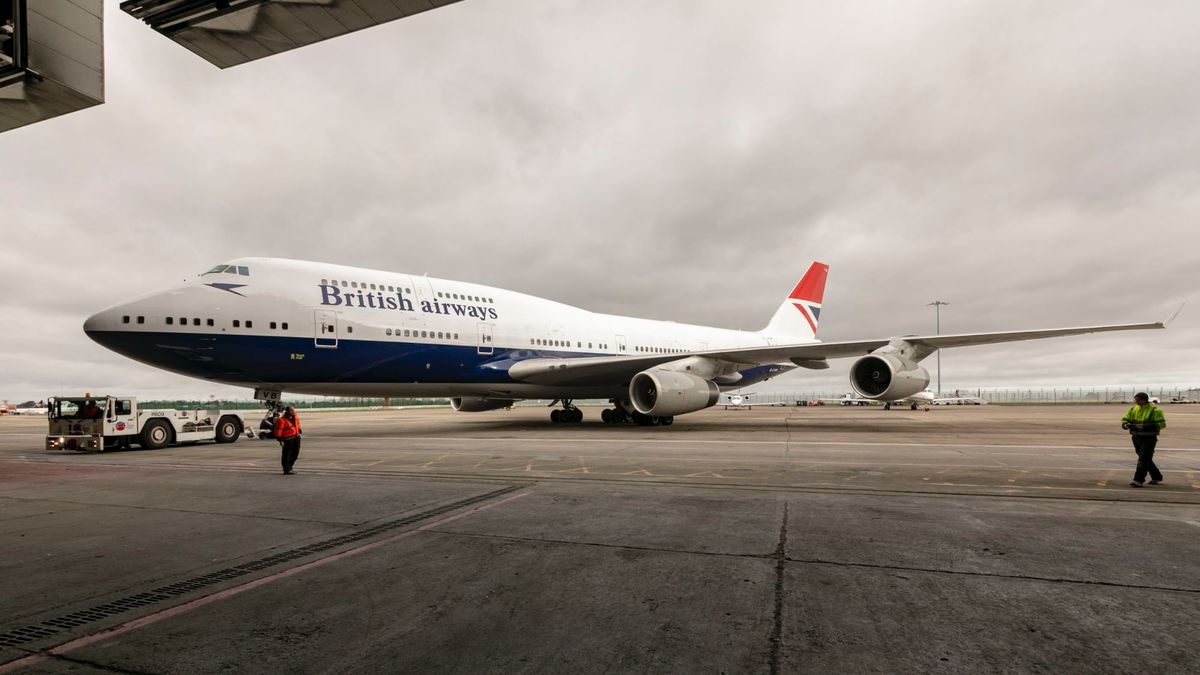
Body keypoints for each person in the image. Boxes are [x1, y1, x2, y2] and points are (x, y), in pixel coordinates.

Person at [1121, 392, 1166, 487]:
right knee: (1145, 458)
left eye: (1138, 399)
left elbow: (1162, 424)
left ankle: (1138, 480)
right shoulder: (1133, 409)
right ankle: (1156, 476)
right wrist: (1125, 425)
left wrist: (1145, 426)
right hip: (1136, 438)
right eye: (1135, 399)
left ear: (1144, 400)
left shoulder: (1155, 410)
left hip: (1149, 438)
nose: (1136, 401)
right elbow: (1125, 419)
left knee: (1143, 458)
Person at [273, 406, 302, 475]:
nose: (293, 412)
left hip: (296, 438)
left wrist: (300, 432)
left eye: (293, 410)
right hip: (287, 439)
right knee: (287, 455)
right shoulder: (281, 420)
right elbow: (278, 431)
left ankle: (289, 467)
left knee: (295, 454)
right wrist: (280, 440)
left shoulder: (295, 416)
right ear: (287, 411)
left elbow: (298, 424)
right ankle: (287, 469)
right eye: (291, 410)